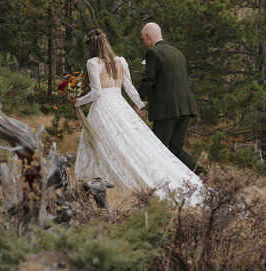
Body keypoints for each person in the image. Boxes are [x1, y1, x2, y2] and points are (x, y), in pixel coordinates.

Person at [70, 29, 203, 201]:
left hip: (103, 109)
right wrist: (139, 104)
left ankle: (96, 184)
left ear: (90, 46)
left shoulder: (93, 63)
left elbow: (96, 92)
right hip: (120, 105)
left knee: (100, 144)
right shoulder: (121, 61)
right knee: (129, 143)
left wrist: (77, 102)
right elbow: (130, 88)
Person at [137, 22, 203, 175]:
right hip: (186, 108)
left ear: (148, 36)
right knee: (175, 149)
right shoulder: (177, 52)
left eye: (143, 39)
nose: (144, 43)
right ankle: (202, 175)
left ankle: (155, 181)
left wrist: (136, 101)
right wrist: (149, 101)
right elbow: (169, 82)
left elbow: (149, 80)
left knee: (156, 149)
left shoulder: (154, 53)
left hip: (167, 110)